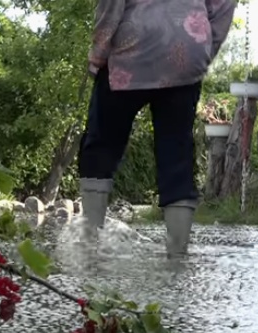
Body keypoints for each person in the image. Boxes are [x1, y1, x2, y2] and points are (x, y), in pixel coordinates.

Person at [77, 0, 237, 258]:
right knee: (177, 150)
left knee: (101, 144)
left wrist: (98, 54)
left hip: (133, 45)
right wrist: (205, 45)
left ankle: (89, 244)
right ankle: (177, 255)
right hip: (187, 46)